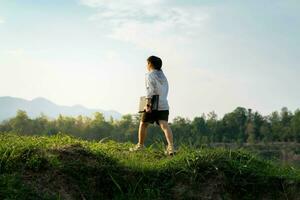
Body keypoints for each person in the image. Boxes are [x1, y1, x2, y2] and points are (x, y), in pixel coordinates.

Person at [129, 55, 176, 155]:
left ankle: (140, 146)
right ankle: (171, 147)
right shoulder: (163, 76)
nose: (146, 65)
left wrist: (148, 104)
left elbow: (149, 90)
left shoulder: (149, 75)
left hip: (153, 102)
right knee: (164, 125)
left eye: (147, 63)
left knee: (143, 124)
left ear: (150, 64)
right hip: (164, 104)